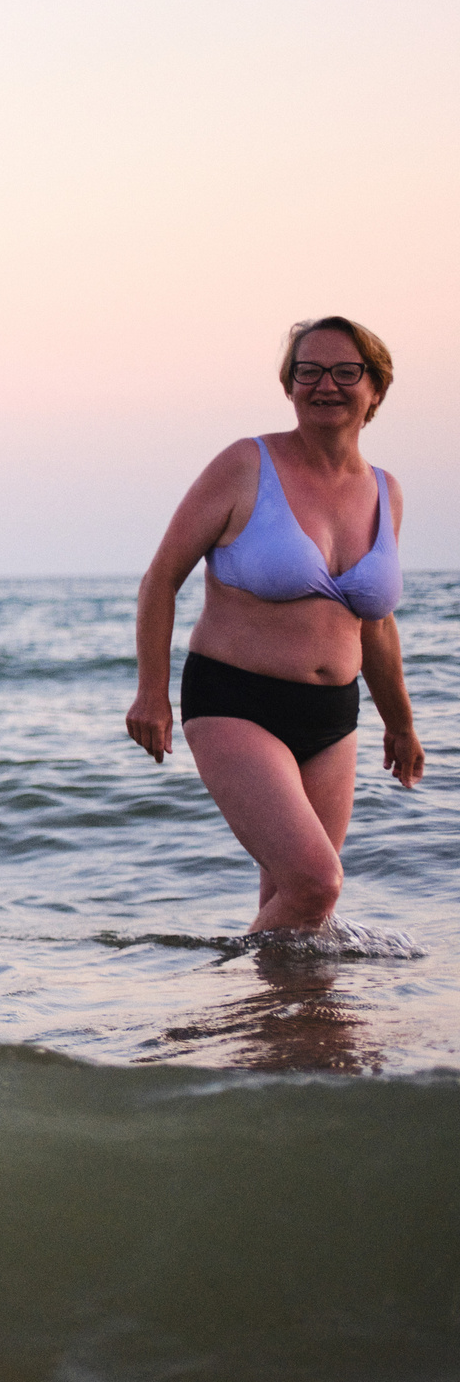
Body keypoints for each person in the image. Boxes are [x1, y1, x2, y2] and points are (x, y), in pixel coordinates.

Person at [127, 317, 424, 933]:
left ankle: (275, 1027)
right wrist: (151, 692)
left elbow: (375, 622)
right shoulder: (245, 465)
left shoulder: (386, 492)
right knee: (317, 883)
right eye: (307, 370)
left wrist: (400, 723)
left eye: (346, 371)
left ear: (376, 387)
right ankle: (222, 1007)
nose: (325, 385)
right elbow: (161, 579)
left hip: (333, 719)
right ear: (288, 384)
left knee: (296, 907)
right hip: (235, 702)